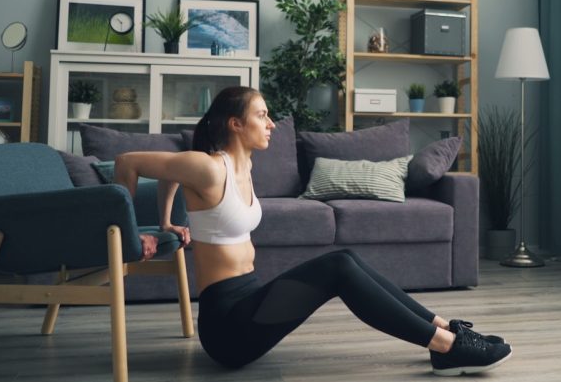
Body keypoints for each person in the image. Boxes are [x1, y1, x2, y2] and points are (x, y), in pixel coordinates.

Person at [115, 86, 512, 376]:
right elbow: (129, 163)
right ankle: (445, 347)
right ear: (235, 124)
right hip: (228, 327)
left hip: (251, 299)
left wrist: (168, 220)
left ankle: (442, 327)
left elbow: (169, 174)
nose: (271, 124)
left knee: (348, 260)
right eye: (262, 116)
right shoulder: (208, 166)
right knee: (338, 266)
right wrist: (135, 235)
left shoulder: (245, 167)